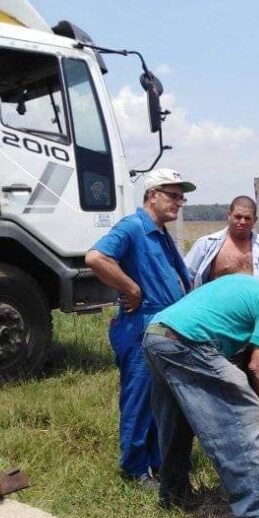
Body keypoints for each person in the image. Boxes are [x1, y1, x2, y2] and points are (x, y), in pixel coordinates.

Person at [142, 276, 259, 518]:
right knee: (244, 413)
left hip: (157, 335)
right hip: (187, 341)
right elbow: (258, 367)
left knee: (176, 420)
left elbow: (242, 363)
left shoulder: (247, 287)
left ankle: (174, 496)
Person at [86, 169, 195, 490]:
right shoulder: (133, 227)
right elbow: (96, 257)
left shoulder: (160, 233)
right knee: (138, 396)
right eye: (172, 195)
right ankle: (134, 469)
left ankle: (157, 461)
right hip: (141, 325)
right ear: (152, 195)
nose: (178, 202)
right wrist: (131, 289)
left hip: (164, 325)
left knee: (160, 398)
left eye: (181, 197)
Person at [184, 196, 259, 288]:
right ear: (229, 215)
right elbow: (185, 276)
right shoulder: (206, 244)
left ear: (255, 220)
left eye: (247, 218)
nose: (242, 221)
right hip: (216, 313)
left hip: (255, 311)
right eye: (238, 216)